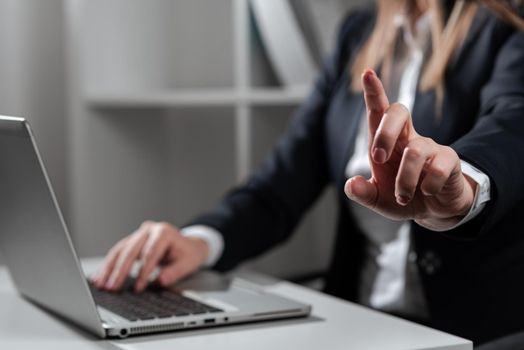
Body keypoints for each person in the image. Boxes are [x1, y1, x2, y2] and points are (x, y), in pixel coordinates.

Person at [93, 0, 524, 347]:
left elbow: (512, 123)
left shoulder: (508, 25)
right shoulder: (357, 33)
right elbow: (282, 183)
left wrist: (463, 185)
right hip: (360, 323)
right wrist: (200, 241)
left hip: (476, 330)